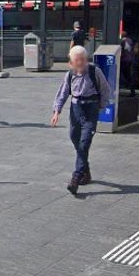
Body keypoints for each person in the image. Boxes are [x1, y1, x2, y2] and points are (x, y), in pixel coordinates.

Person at [50, 45, 112, 196]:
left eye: (82, 60)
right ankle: (86, 170)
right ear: (71, 61)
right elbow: (63, 93)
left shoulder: (94, 71)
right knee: (74, 137)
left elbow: (105, 90)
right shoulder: (69, 75)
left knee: (84, 143)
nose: (79, 63)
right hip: (76, 109)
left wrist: (101, 107)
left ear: (86, 59)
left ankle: (76, 178)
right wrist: (56, 111)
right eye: (76, 60)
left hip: (91, 110)